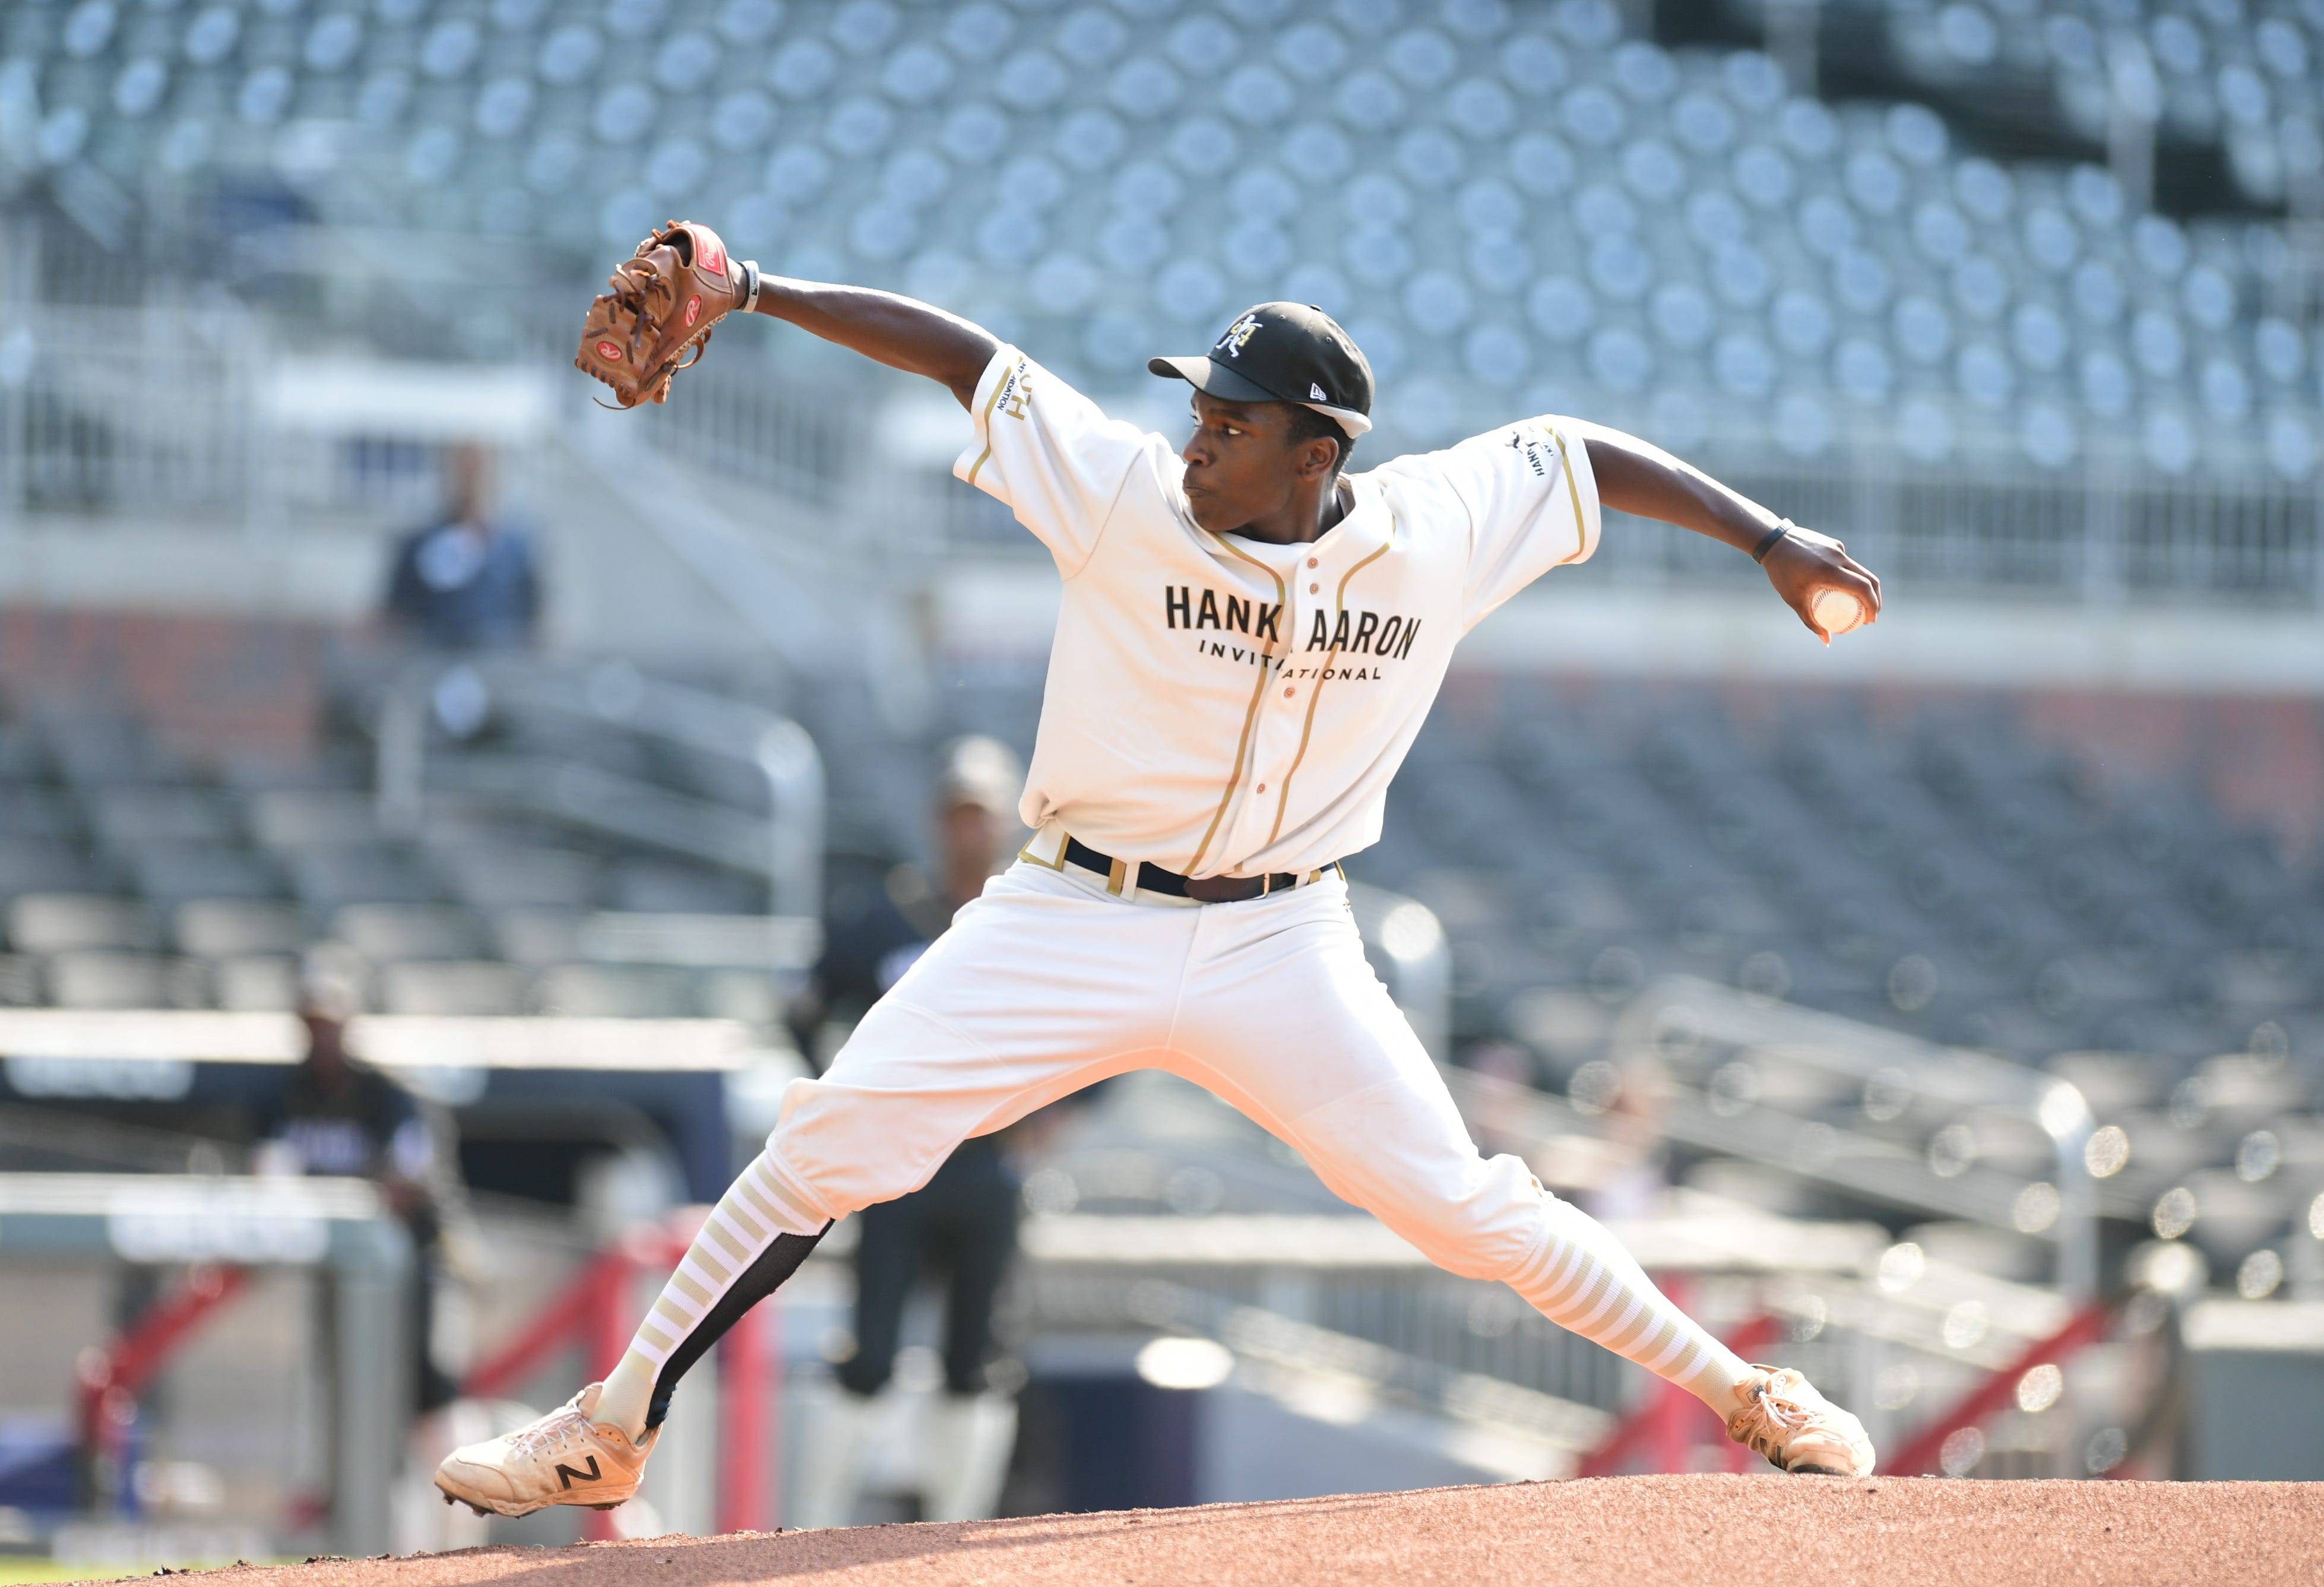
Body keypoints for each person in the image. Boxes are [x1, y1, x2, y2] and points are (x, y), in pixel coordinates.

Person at [435, 275, 1883, 1521]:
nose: (1197, 431)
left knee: (1467, 1205)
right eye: (1199, 403)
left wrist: (1767, 538)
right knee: (830, 1135)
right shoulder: (1129, 489)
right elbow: (967, 359)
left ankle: (1750, 1394)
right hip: (1071, 912)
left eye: (1231, 417)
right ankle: (612, 1424)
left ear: (1316, 448)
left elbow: (1576, 453)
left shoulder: (1433, 527)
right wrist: (755, 289)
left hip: (1280, 935)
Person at [793, 736, 1034, 1526]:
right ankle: (811, 1533)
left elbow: (1114, 1026)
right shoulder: (882, 919)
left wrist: (1060, 1108)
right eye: (958, 815)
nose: (970, 833)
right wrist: (843, 1099)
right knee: (869, 1355)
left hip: (985, 1164)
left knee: (977, 1359)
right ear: (938, 822)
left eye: (983, 816)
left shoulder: (1032, 919)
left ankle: (959, 1535)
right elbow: (802, 1004)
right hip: (896, 1167)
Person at [257, 968, 460, 1417]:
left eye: (330, 1024)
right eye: (313, 1025)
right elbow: (268, 1172)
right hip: (333, 1263)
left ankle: (452, 1482)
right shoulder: (288, 1094)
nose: (321, 1036)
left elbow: (406, 1185)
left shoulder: (387, 1095)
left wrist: (341, 1200)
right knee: (337, 1377)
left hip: (409, 1260)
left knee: (423, 1379)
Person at [381, 443, 540, 651]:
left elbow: (532, 620)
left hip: (497, 666)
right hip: (431, 664)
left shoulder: (514, 549)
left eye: (477, 469)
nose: (469, 482)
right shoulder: (418, 544)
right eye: (462, 469)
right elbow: (396, 613)